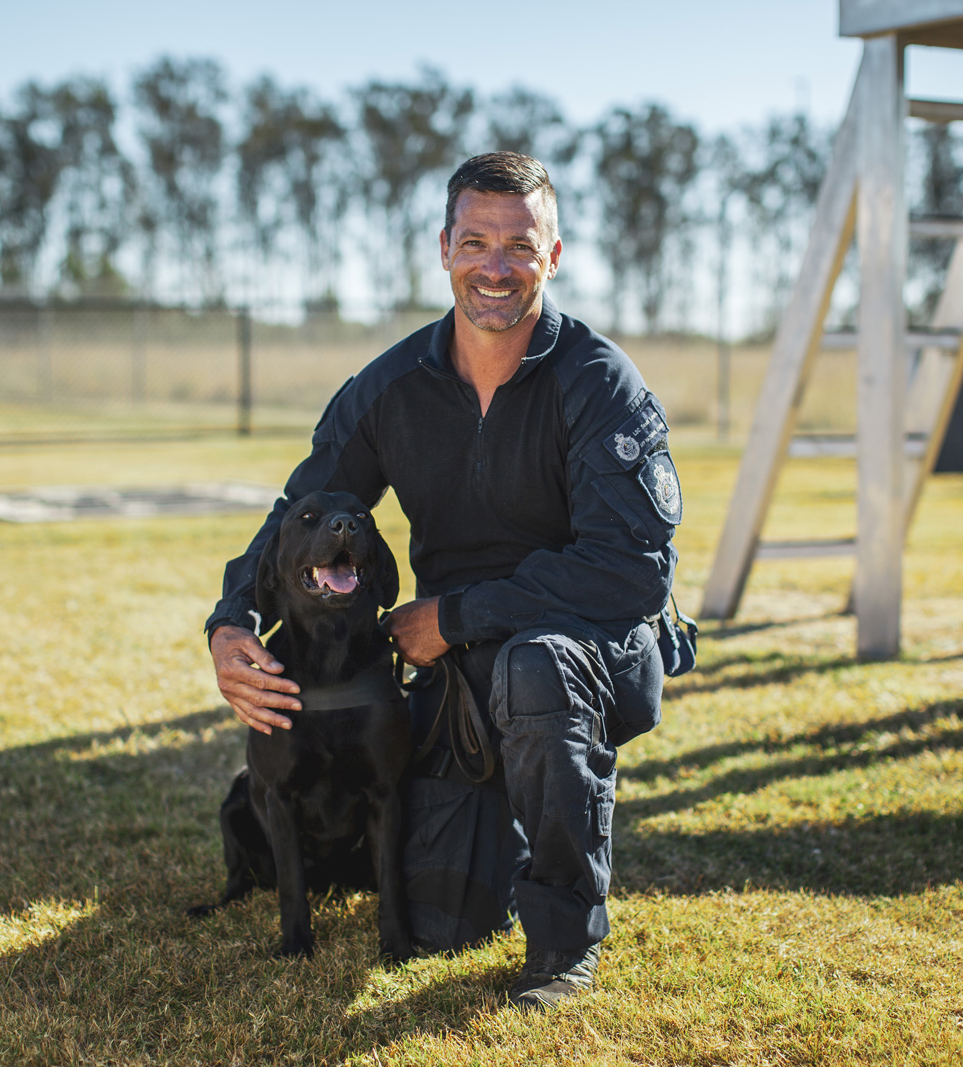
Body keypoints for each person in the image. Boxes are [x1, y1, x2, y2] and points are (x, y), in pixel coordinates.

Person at [204, 151, 681, 1011]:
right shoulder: (393, 387)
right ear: (445, 248)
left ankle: (564, 944)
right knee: (442, 920)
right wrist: (229, 617)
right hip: (461, 678)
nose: (496, 267)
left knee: (535, 669)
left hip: (587, 650)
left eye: (519, 246)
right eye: (476, 242)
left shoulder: (599, 383)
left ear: (554, 256)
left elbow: (632, 570)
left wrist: (456, 614)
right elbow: (299, 510)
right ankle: (516, 809)